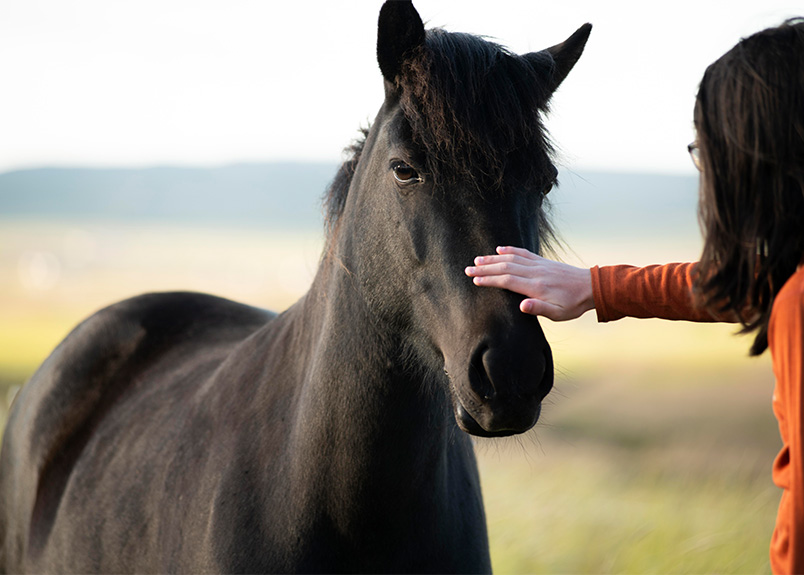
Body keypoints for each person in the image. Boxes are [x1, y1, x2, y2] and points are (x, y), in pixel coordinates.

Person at [465, 19, 804, 575]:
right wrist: (596, 287)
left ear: (763, 155)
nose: (706, 171)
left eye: (708, 149)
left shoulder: (799, 305)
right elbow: (748, 282)